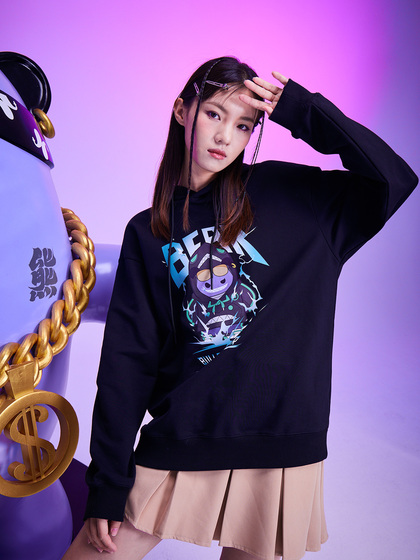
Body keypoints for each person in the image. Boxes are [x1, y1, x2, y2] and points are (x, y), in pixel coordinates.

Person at [62, 56, 417, 560]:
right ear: (182, 111)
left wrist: (303, 111)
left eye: (244, 125)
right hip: (186, 435)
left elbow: (393, 179)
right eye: (214, 114)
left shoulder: (293, 196)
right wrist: (107, 482)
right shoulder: (149, 231)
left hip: (280, 445)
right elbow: (127, 362)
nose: (225, 136)